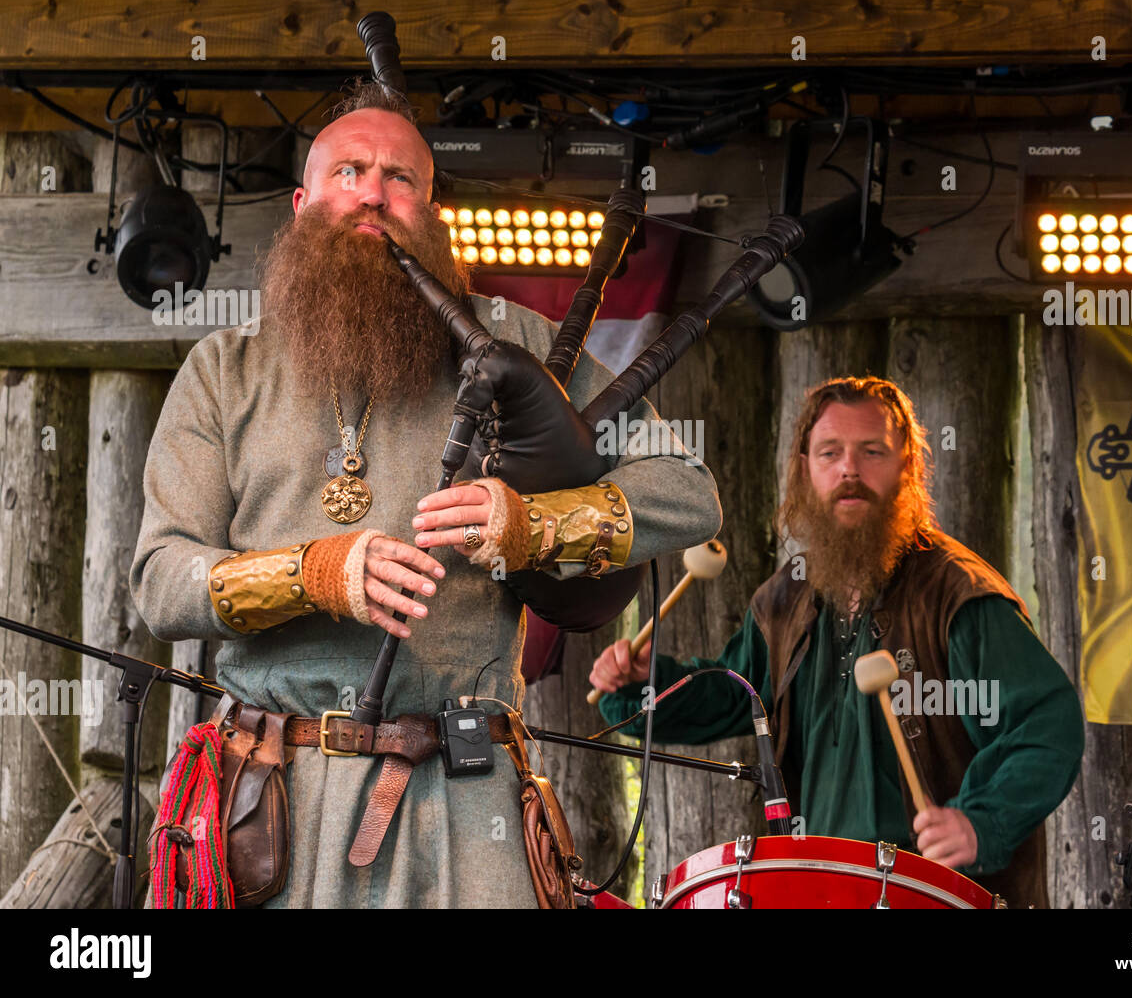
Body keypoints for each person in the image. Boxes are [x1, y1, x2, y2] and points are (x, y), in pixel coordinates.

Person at [129, 81, 722, 908]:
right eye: (350, 171)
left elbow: (689, 493)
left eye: (401, 178)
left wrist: (533, 524)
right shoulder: (222, 371)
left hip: (464, 795)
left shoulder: (512, 342)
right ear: (302, 203)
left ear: (432, 210)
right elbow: (161, 579)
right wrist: (317, 573)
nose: (374, 192)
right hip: (268, 806)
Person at [590, 376, 1084, 908]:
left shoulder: (959, 596)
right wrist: (644, 686)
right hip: (817, 891)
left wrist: (981, 822)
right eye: (831, 452)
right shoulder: (786, 598)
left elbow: (1047, 723)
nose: (850, 469)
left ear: (907, 467)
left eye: (872, 452)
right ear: (806, 469)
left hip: (933, 895)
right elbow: (736, 696)